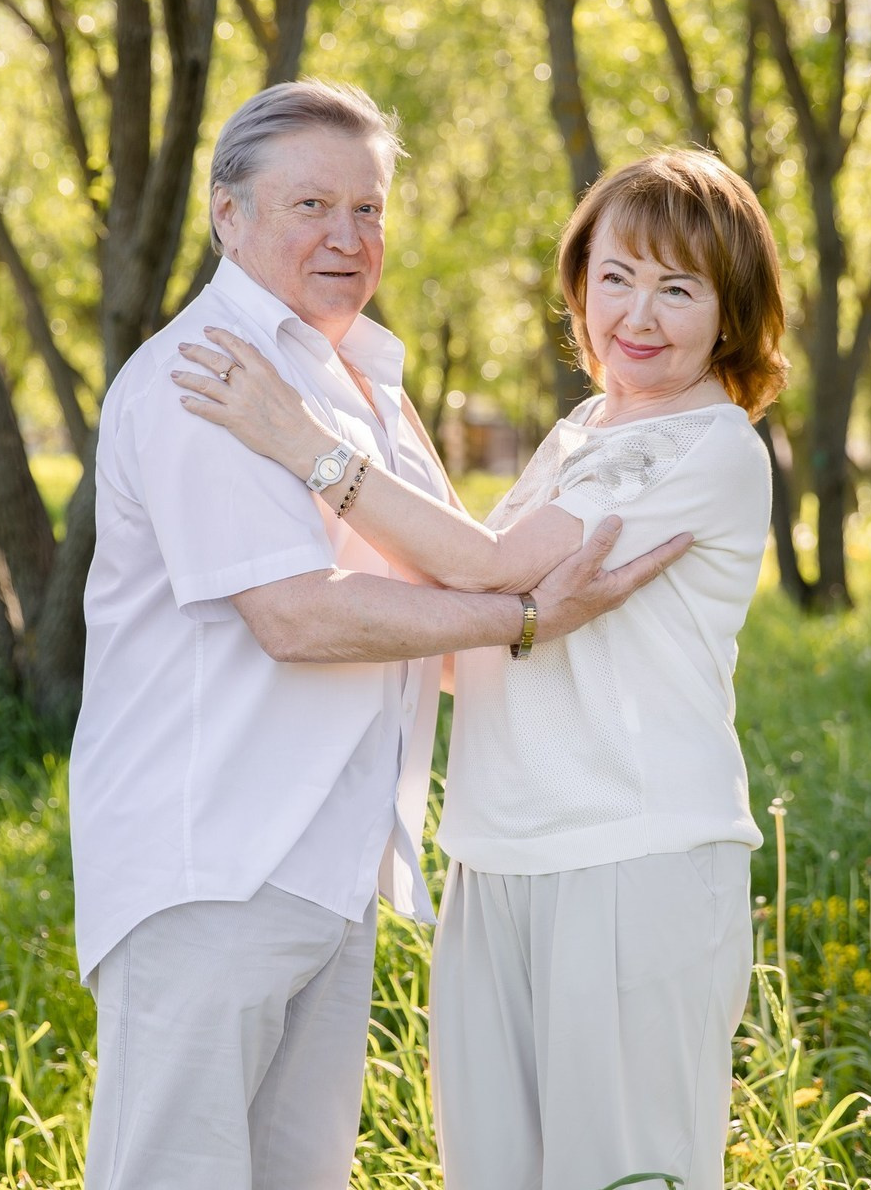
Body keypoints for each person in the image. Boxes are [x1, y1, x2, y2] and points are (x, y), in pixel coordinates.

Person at [68, 78, 689, 1190]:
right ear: (227, 214)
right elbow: (294, 614)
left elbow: (456, 567)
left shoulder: (364, 383)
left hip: (329, 866)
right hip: (212, 862)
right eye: (311, 205)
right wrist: (525, 620)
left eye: (368, 209)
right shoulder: (205, 373)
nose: (347, 237)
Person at [176, 146, 789, 1190]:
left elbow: (491, 568)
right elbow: (485, 628)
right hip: (495, 851)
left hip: (630, 855)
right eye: (614, 277)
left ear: (729, 311)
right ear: (579, 282)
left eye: (678, 288)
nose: (637, 315)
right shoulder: (587, 429)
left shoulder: (704, 443)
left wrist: (306, 443)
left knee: (623, 1175)